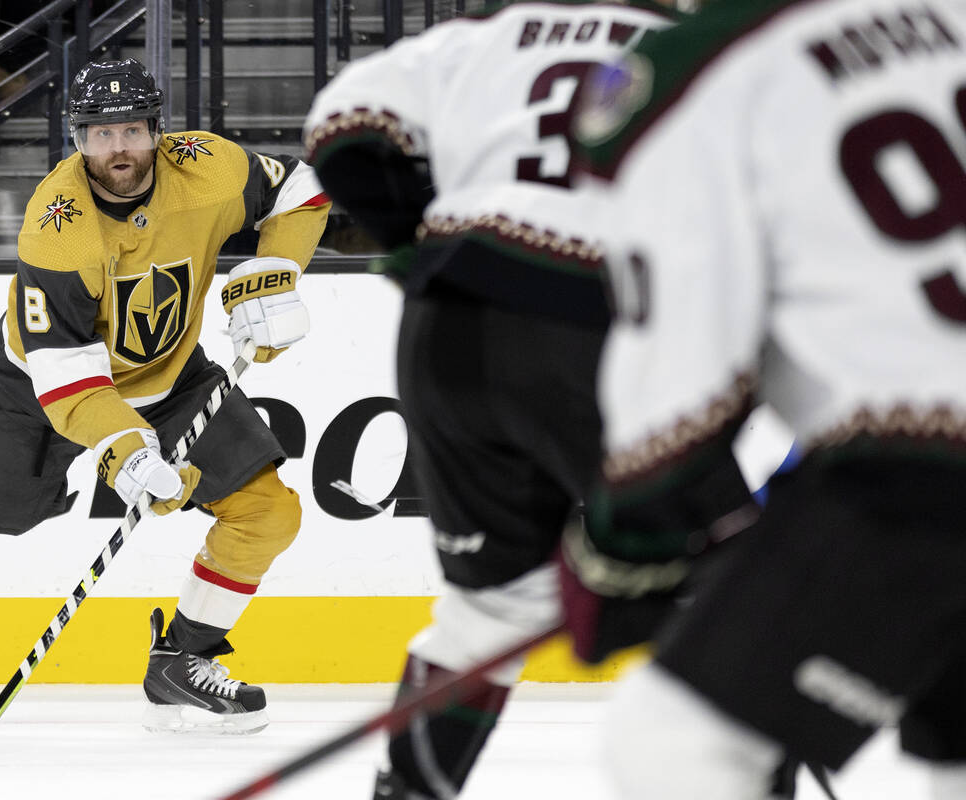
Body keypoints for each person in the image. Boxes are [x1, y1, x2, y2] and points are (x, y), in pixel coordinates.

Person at [0, 57, 330, 734]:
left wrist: (276, 270)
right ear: (76, 139)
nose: (117, 150)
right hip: (39, 388)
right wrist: (128, 450)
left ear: (158, 130)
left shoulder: (209, 167)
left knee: (267, 512)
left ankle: (181, 659)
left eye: (131, 130)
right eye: (98, 135)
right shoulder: (58, 226)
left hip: (169, 374)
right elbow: (69, 379)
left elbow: (303, 188)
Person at [300, 3, 757, 797]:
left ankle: (408, 789)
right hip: (592, 317)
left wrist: (412, 237)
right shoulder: (694, 47)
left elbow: (339, 130)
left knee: (494, 608)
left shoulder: (475, 39)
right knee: (739, 592)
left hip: (443, 326)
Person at [559, 0, 966, 797]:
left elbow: (680, 376)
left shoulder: (698, 74)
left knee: (674, 745)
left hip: (926, 475)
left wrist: (619, 550)